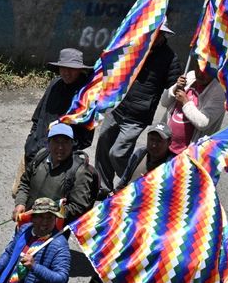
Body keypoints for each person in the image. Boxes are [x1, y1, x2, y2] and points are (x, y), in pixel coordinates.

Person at [65, 123, 176, 283]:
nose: (154, 144)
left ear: (169, 143)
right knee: (105, 254)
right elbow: (124, 180)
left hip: (151, 224)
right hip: (125, 216)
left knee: (135, 264)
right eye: (152, 138)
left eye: (159, 140)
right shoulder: (140, 154)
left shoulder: (173, 165)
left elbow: (174, 199)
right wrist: (115, 195)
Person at [93, 24, 182, 193]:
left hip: (138, 115)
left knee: (117, 153)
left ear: (163, 35)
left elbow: (172, 87)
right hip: (118, 106)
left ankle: (136, 182)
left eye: (158, 33)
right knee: (104, 144)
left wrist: (179, 85)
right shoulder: (135, 47)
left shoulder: (169, 58)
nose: (154, 36)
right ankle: (103, 188)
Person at [14, 48, 94, 197]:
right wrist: (31, 143)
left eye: (72, 69)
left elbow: (85, 138)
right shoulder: (54, 85)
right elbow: (38, 118)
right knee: (21, 195)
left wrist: (60, 150)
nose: (67, 73)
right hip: (34, 153)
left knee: (48, 205)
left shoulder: (85, 96)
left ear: (80, 70)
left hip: (60, 161)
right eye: (63, 68)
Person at [13, 123, 98, 226]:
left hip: (53, 231)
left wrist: (49, 211)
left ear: (72, 144)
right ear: (48, 143)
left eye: (65, 142)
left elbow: (79, 207)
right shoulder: (41, 156)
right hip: (27, 222)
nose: (60, 147)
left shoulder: (80, 172)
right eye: (56, 141)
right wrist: (20, 203)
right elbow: (25, 183)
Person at [159, 59, 226, 156]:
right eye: (198, 68)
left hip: (188, 154)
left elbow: (203, 122)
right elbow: (164, 102)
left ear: (215, 71)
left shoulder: (219, 92)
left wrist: (185, 102)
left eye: (206, 71)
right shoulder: (190, 76)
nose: (200, 74)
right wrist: (174, 89)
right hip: (165, 145)